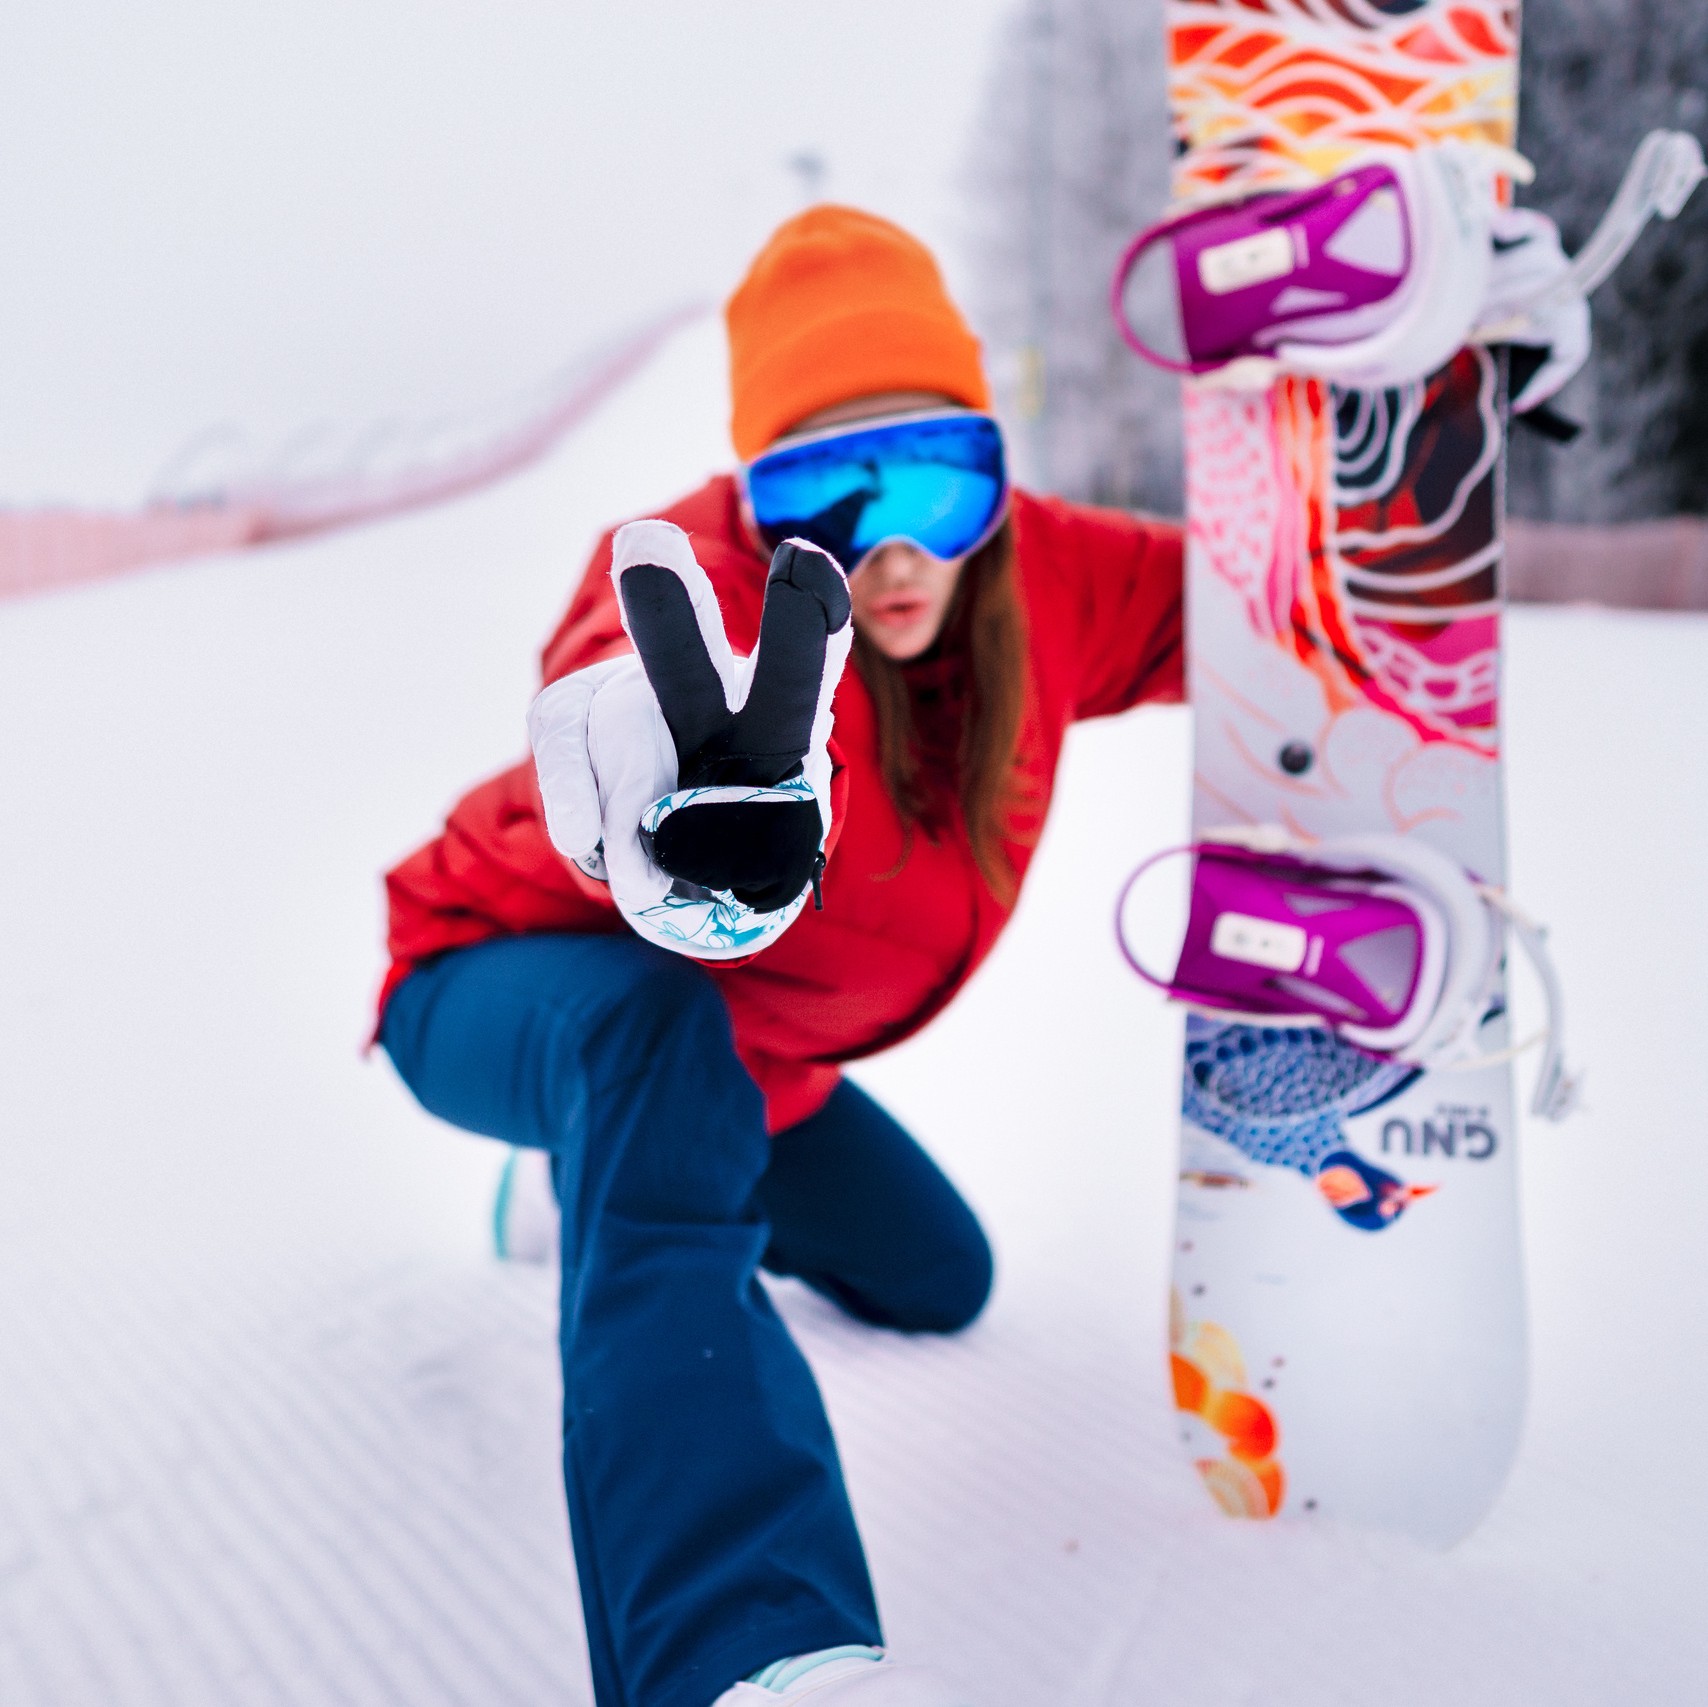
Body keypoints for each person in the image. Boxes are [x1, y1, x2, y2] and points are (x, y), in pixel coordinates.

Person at [377, 205, 1183, 1707]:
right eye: (827, 493)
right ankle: (751, 1655)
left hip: (752, 1060)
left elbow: (1257, 596)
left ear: (993, 476)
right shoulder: (701, 590)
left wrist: (1431, 399)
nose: (892, 546)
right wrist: (677, 799)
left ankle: (580, 1183)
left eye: (936, 479)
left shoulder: (1049, 578)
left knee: (938, 1278)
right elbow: (623, 679)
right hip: (490, 980)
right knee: (649, 1039)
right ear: (758, 503)